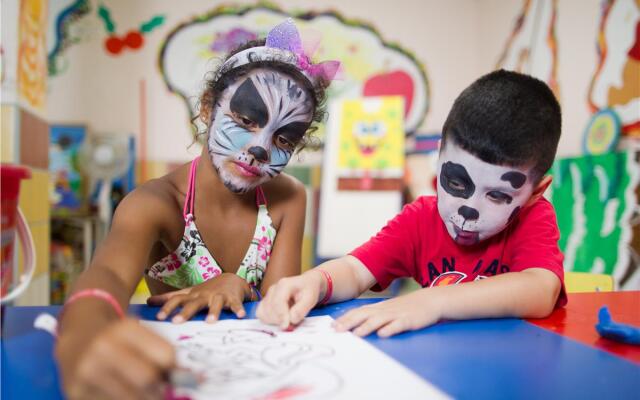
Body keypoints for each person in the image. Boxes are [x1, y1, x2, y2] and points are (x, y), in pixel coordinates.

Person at [55, 19, 339, 399]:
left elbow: (280, 308)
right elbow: (106, 273)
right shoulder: (156, 203)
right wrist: (83, 333)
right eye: (245, 119)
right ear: (208, 107)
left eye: (284, 138)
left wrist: (237, 284)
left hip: (258, 374)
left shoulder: (289, 198)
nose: (260, 149)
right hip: (176, 373)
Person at [257, 69, 566, 339]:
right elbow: (355, 270)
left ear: (536, 192)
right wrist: (314, 281)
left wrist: (432, 301)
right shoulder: (421, 220)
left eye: (497, 195)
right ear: (440, 156)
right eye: (457, 183)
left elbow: (540, 289)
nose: (468, 209)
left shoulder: (534, 217)